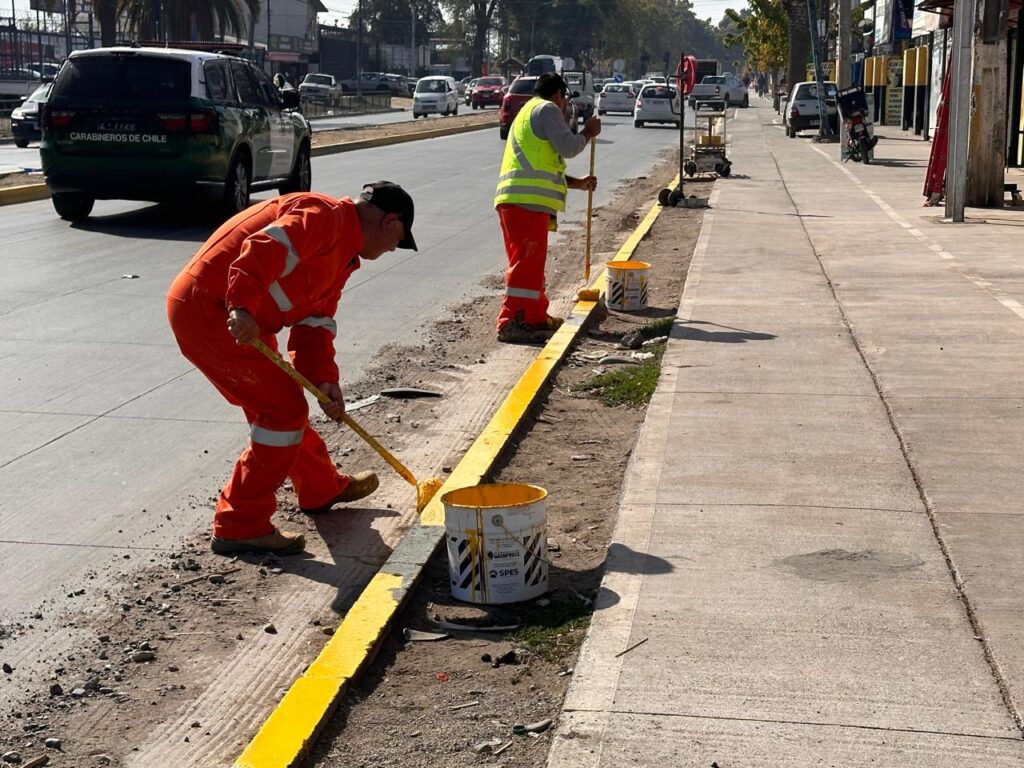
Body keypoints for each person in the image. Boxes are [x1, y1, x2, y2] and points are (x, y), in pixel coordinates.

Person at [166, 183, 418, 555]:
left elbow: (315, 322)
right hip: (213, 310)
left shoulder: (344, 252)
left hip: (240, 315)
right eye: (399, 238)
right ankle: (240, 523)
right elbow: (263, 250)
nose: (393, 248)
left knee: (281, 400)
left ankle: (320, 488)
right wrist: (241, 307)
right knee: (283, 411)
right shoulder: (325, 218)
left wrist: (325, 382)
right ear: (389, 221)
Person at [493, 72, 601, 344]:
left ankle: (534, 316)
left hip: (516, 200)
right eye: (564, 99)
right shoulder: (548, 109)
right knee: (526, 262)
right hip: (526, 203)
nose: (564, 105)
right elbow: (568, 147)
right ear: (557, 95)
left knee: (530, 263)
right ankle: (513, 321)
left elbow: (542, 167)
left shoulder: (527, 111)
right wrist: (588, 132)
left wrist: (577, 184)